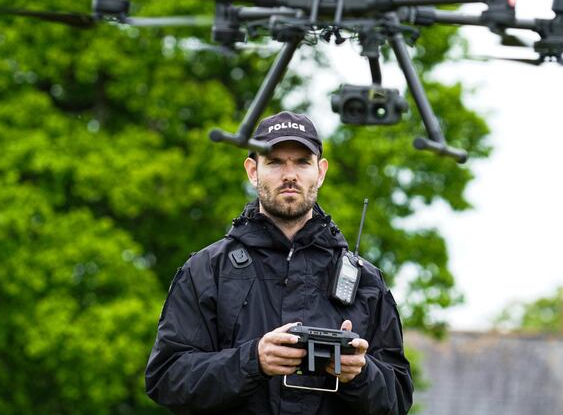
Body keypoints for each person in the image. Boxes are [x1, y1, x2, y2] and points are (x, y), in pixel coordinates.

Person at [145, 111, 413, 414]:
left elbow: (399, 398)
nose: (290, 174)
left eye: (302, 162)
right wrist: (253, 360)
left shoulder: (366, 280)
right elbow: (166, 379)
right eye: (274, 162)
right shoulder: (206, 270)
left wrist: (359, 374)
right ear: (252, 170)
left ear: (320, 171)